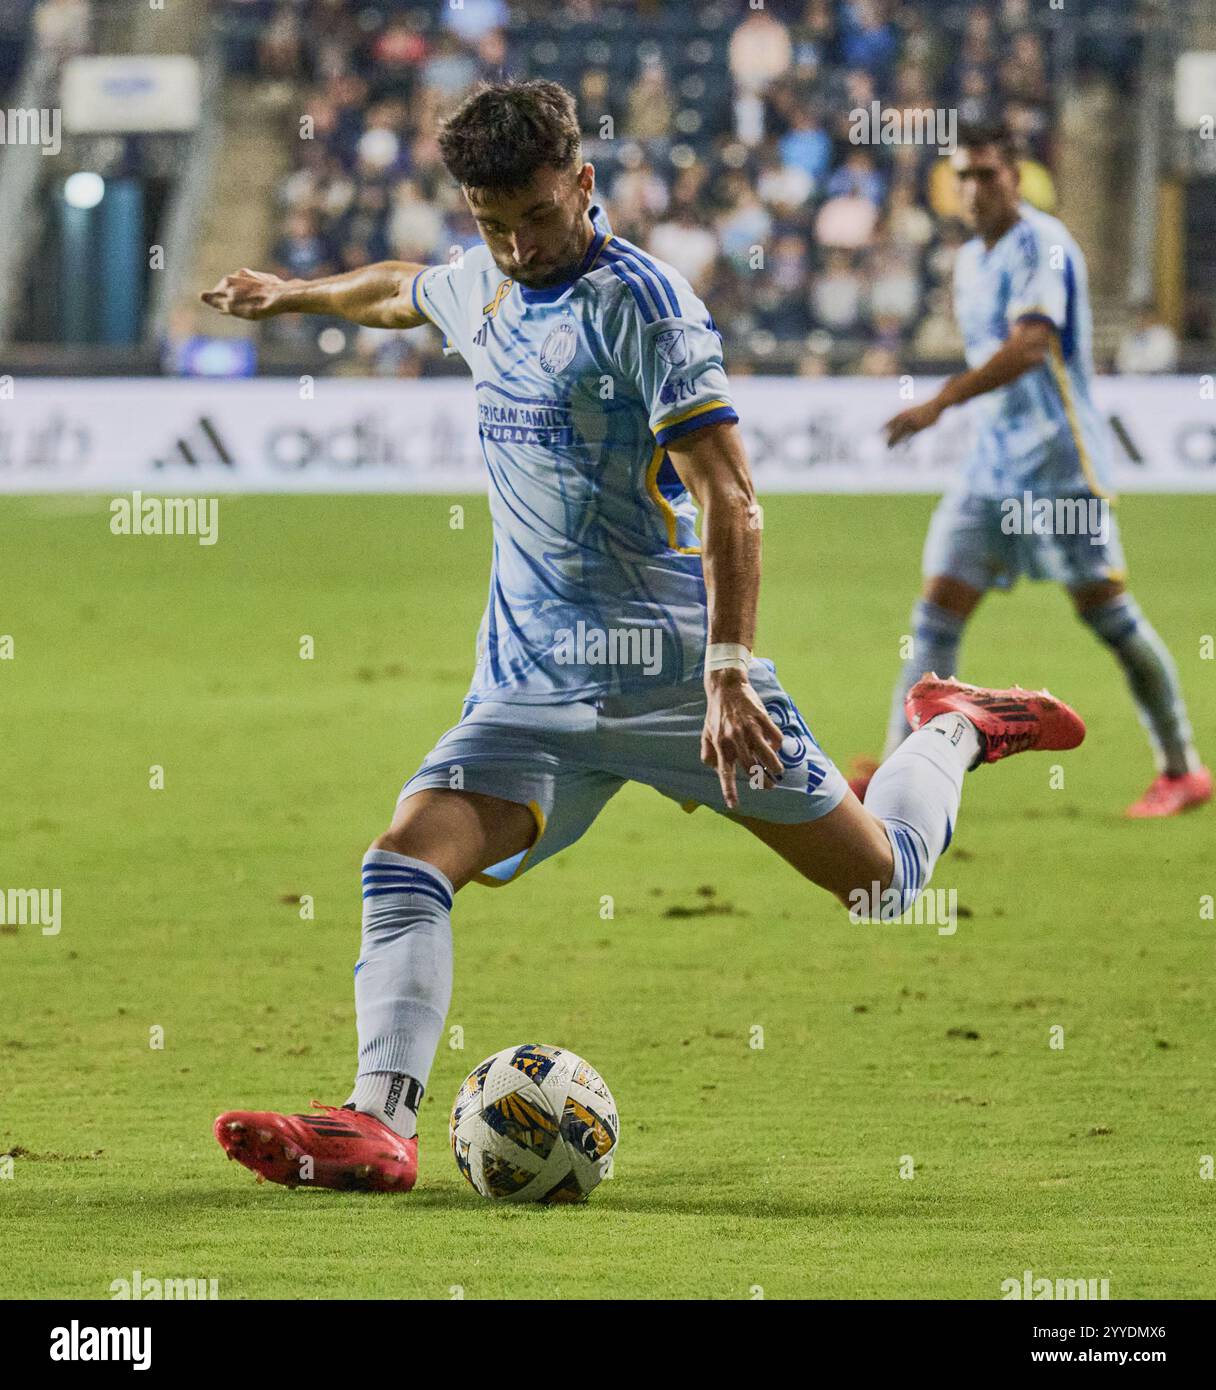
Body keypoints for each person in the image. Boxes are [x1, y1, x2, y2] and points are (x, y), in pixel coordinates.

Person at [201, 83, 1086, 1195]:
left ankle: (953, 728)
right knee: (404, 860)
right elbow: (398, 290)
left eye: (536, 215)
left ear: (582, 182)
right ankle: (377, 1123)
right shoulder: (483, 278)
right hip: (528, 688)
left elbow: (731, 498)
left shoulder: (647, 309)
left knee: (880, 884)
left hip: (677, 681)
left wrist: (727, 673)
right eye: (492, 224)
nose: (519, 246)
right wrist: (289, 295)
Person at [858, 122, 1208, 820]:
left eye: (988, 174)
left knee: (1107, 613)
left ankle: (1183, 769)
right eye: (964, 176)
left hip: (1058, 465)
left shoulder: (1043, 245)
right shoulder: (969, 260)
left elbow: (1030, 346)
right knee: (936, 610)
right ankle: (896, 769)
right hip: (991, 467)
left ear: (1016, 178)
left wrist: (940, 402)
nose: (975, 189)